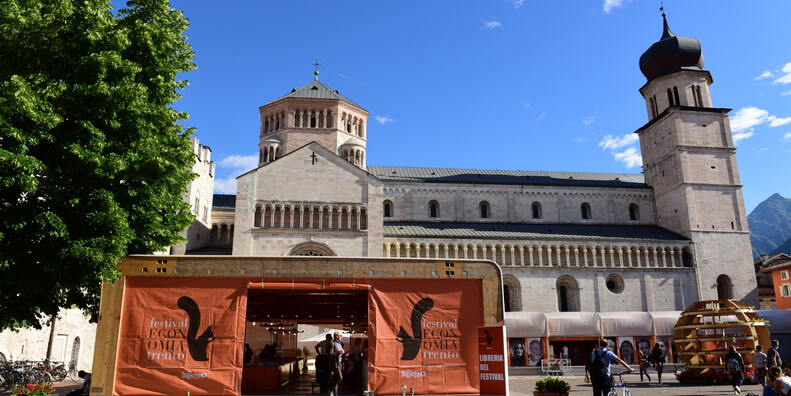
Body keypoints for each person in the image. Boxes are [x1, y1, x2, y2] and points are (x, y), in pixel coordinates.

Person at [328, 331, 345, 396]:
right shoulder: (332, 343)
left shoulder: (340, 343)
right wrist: (339, 352)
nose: (342, 337)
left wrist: (344, 354)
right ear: (337, 336)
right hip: (335, 364)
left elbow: (340, 354)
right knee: (340, 377)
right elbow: (330, 354)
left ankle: (336, 393)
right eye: (341, 335)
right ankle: (331, 388)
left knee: (336, 378)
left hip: (340, 363)